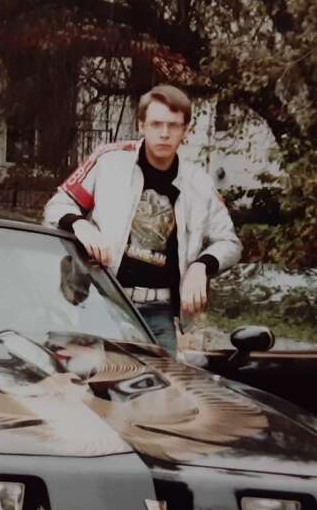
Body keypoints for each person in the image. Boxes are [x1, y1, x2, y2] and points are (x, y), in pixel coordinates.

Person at [43, 84, 241, 354]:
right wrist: (80, 225)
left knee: (161, 393)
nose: (164, 133)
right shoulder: (108, 162)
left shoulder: (199, 183)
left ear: (186, 130)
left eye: (173, 125)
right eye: (156, 123)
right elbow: (56, 207)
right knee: (95, 387)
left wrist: (202, 266)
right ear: (141, 125)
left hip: (158, 316)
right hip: (106, 301)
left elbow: (229, 242)